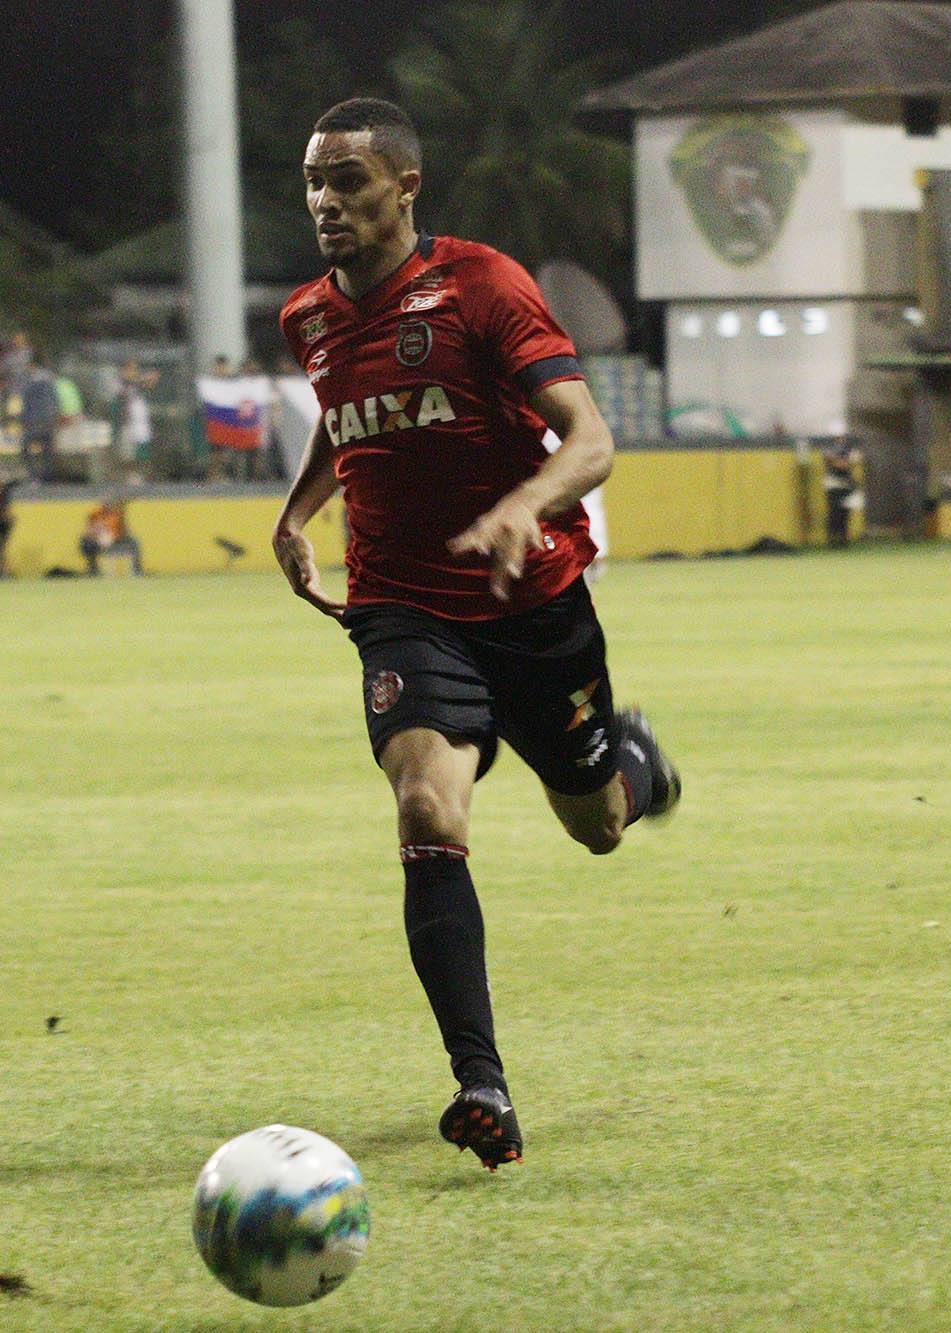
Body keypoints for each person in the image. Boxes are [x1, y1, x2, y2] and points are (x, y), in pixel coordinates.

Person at [272, 98, 681, 1172]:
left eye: (347, 179)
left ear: (404, 187)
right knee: (423, 803)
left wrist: (523, 506)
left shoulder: (483, 287)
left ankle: (632, 763)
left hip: (530, 605)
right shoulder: (306, 317)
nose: (325, 200)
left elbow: (589, 440)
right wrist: (296, 510)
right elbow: (342, 408)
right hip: (401, 608)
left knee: (593, 823)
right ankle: (480, 1082)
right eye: (314, 180)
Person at [80, 495, 142, 576]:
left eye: (109, 502)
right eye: (105, 502)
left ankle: (137, 570)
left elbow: (123, 530)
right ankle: (93, 570)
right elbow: (90, 529)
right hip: (99, 540)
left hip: (117, 541)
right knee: (87, 543)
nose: (107, 504)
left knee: (134, 543)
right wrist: (97, 536)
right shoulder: (95, 514)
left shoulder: (117, 514)